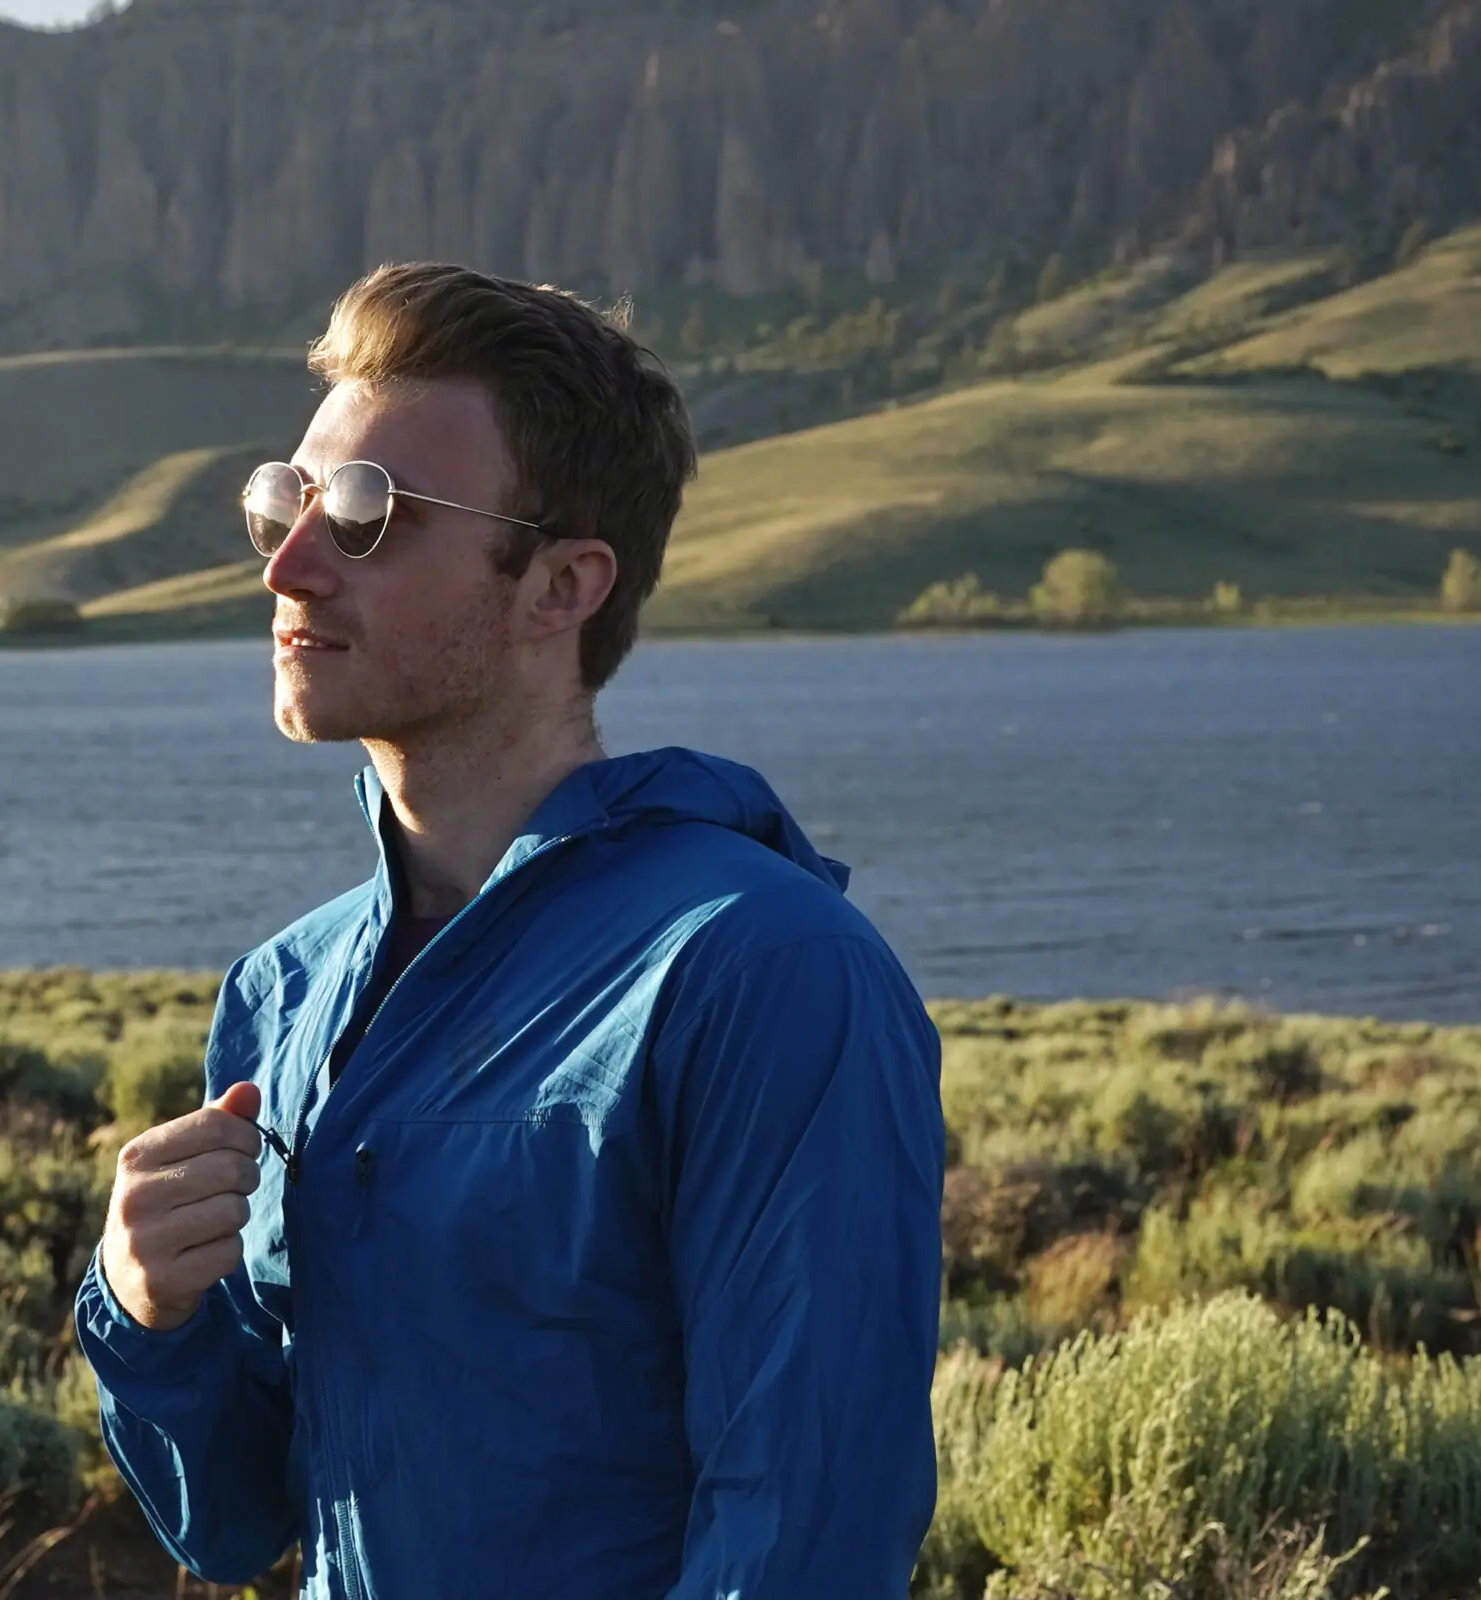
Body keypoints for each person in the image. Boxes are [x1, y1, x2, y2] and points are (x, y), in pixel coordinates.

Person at [74, 262, 944, 1599]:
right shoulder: (282, 995)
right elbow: (241, 1520)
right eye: (285, 500)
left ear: (560, 587)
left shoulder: (758, 971)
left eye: (369, 514)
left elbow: (803, 1533)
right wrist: (150, 1312)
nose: (291, 563)